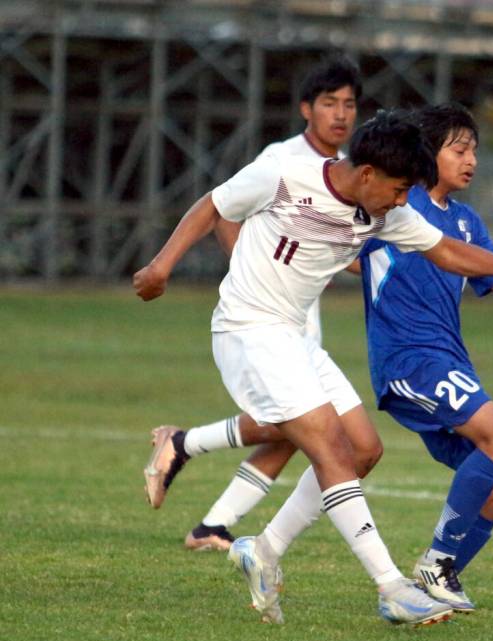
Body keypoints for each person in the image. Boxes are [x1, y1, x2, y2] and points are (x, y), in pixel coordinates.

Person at [132, 109, 493, 626]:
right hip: (247, 329)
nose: (403, 203)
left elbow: (446, 252)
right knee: (329, 445)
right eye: (399, 190)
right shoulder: (286, 174)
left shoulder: (386, 211)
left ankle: (262, 551)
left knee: (362, 449)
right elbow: (212, 206)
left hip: (294, 335)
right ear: (368, 173)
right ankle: (393, 587)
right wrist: (161, 266)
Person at [244, 103, 493, 615]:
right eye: (459, 149)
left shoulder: (467, 223)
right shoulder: (395, 205)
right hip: (409, 362)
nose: (471, 161)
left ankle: (429, 583)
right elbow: (343, 236)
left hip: (451, 364)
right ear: (427, 153)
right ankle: (433, 566)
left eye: (475, 152)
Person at [142, 55, 368, 553]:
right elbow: (224, 210)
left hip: (301, 315)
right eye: (330, 103)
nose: (341, 114)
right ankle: (184, 446)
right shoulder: (282, 157)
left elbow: (341, 243)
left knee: (298, 430)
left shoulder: (353, 170)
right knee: (301, 425)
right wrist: (254, 268)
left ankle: (212, 525)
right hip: (268, 314)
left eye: (349, 104)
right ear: (306, 108)